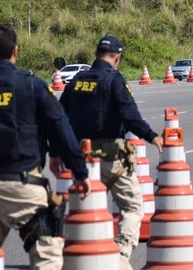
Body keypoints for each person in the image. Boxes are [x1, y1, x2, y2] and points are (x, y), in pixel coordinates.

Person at [0, 24, 91, 270]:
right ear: (15, 51)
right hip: (24, 187)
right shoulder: (32, 87)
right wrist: (80, 171)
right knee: (48, 259)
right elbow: (60, 127)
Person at [52, 35, 163, 270]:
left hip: (80, 158)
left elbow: (59, 119)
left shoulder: (77, 81)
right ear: (118, 57)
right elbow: (129, 115)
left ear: (95, 54)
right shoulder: (114, 80)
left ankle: (78, 257)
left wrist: (55, 151)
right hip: (110, 158)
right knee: (132, 205)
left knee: (85, 208)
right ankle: (121, 258)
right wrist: (151, 135)